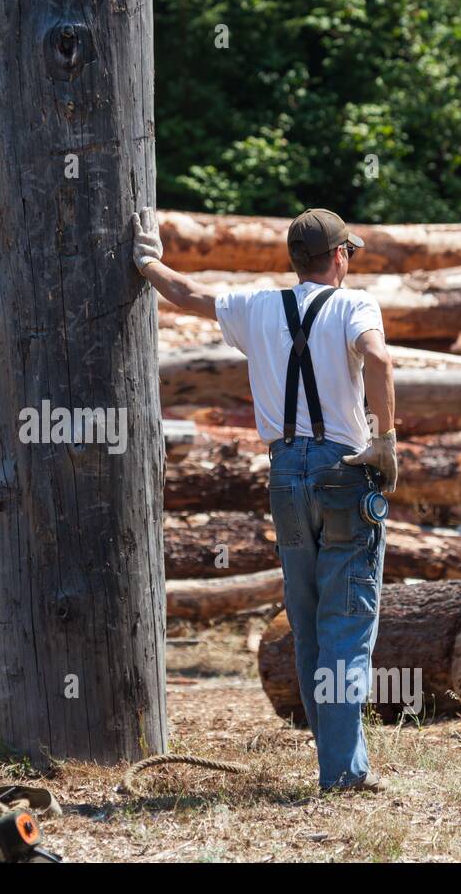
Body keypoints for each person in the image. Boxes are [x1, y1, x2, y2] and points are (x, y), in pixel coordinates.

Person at [131, 206, 398, 793]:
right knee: (347, 621)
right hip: (343, 473)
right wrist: (386, 441)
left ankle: (335, 759)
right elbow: (378, 359)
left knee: (305, 620)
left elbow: (188, 293)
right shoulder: (356, 306)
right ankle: (343, 771)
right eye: (347, 252)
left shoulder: (258, 306)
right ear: (339, 257)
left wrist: (148, 261)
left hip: (285, 475)